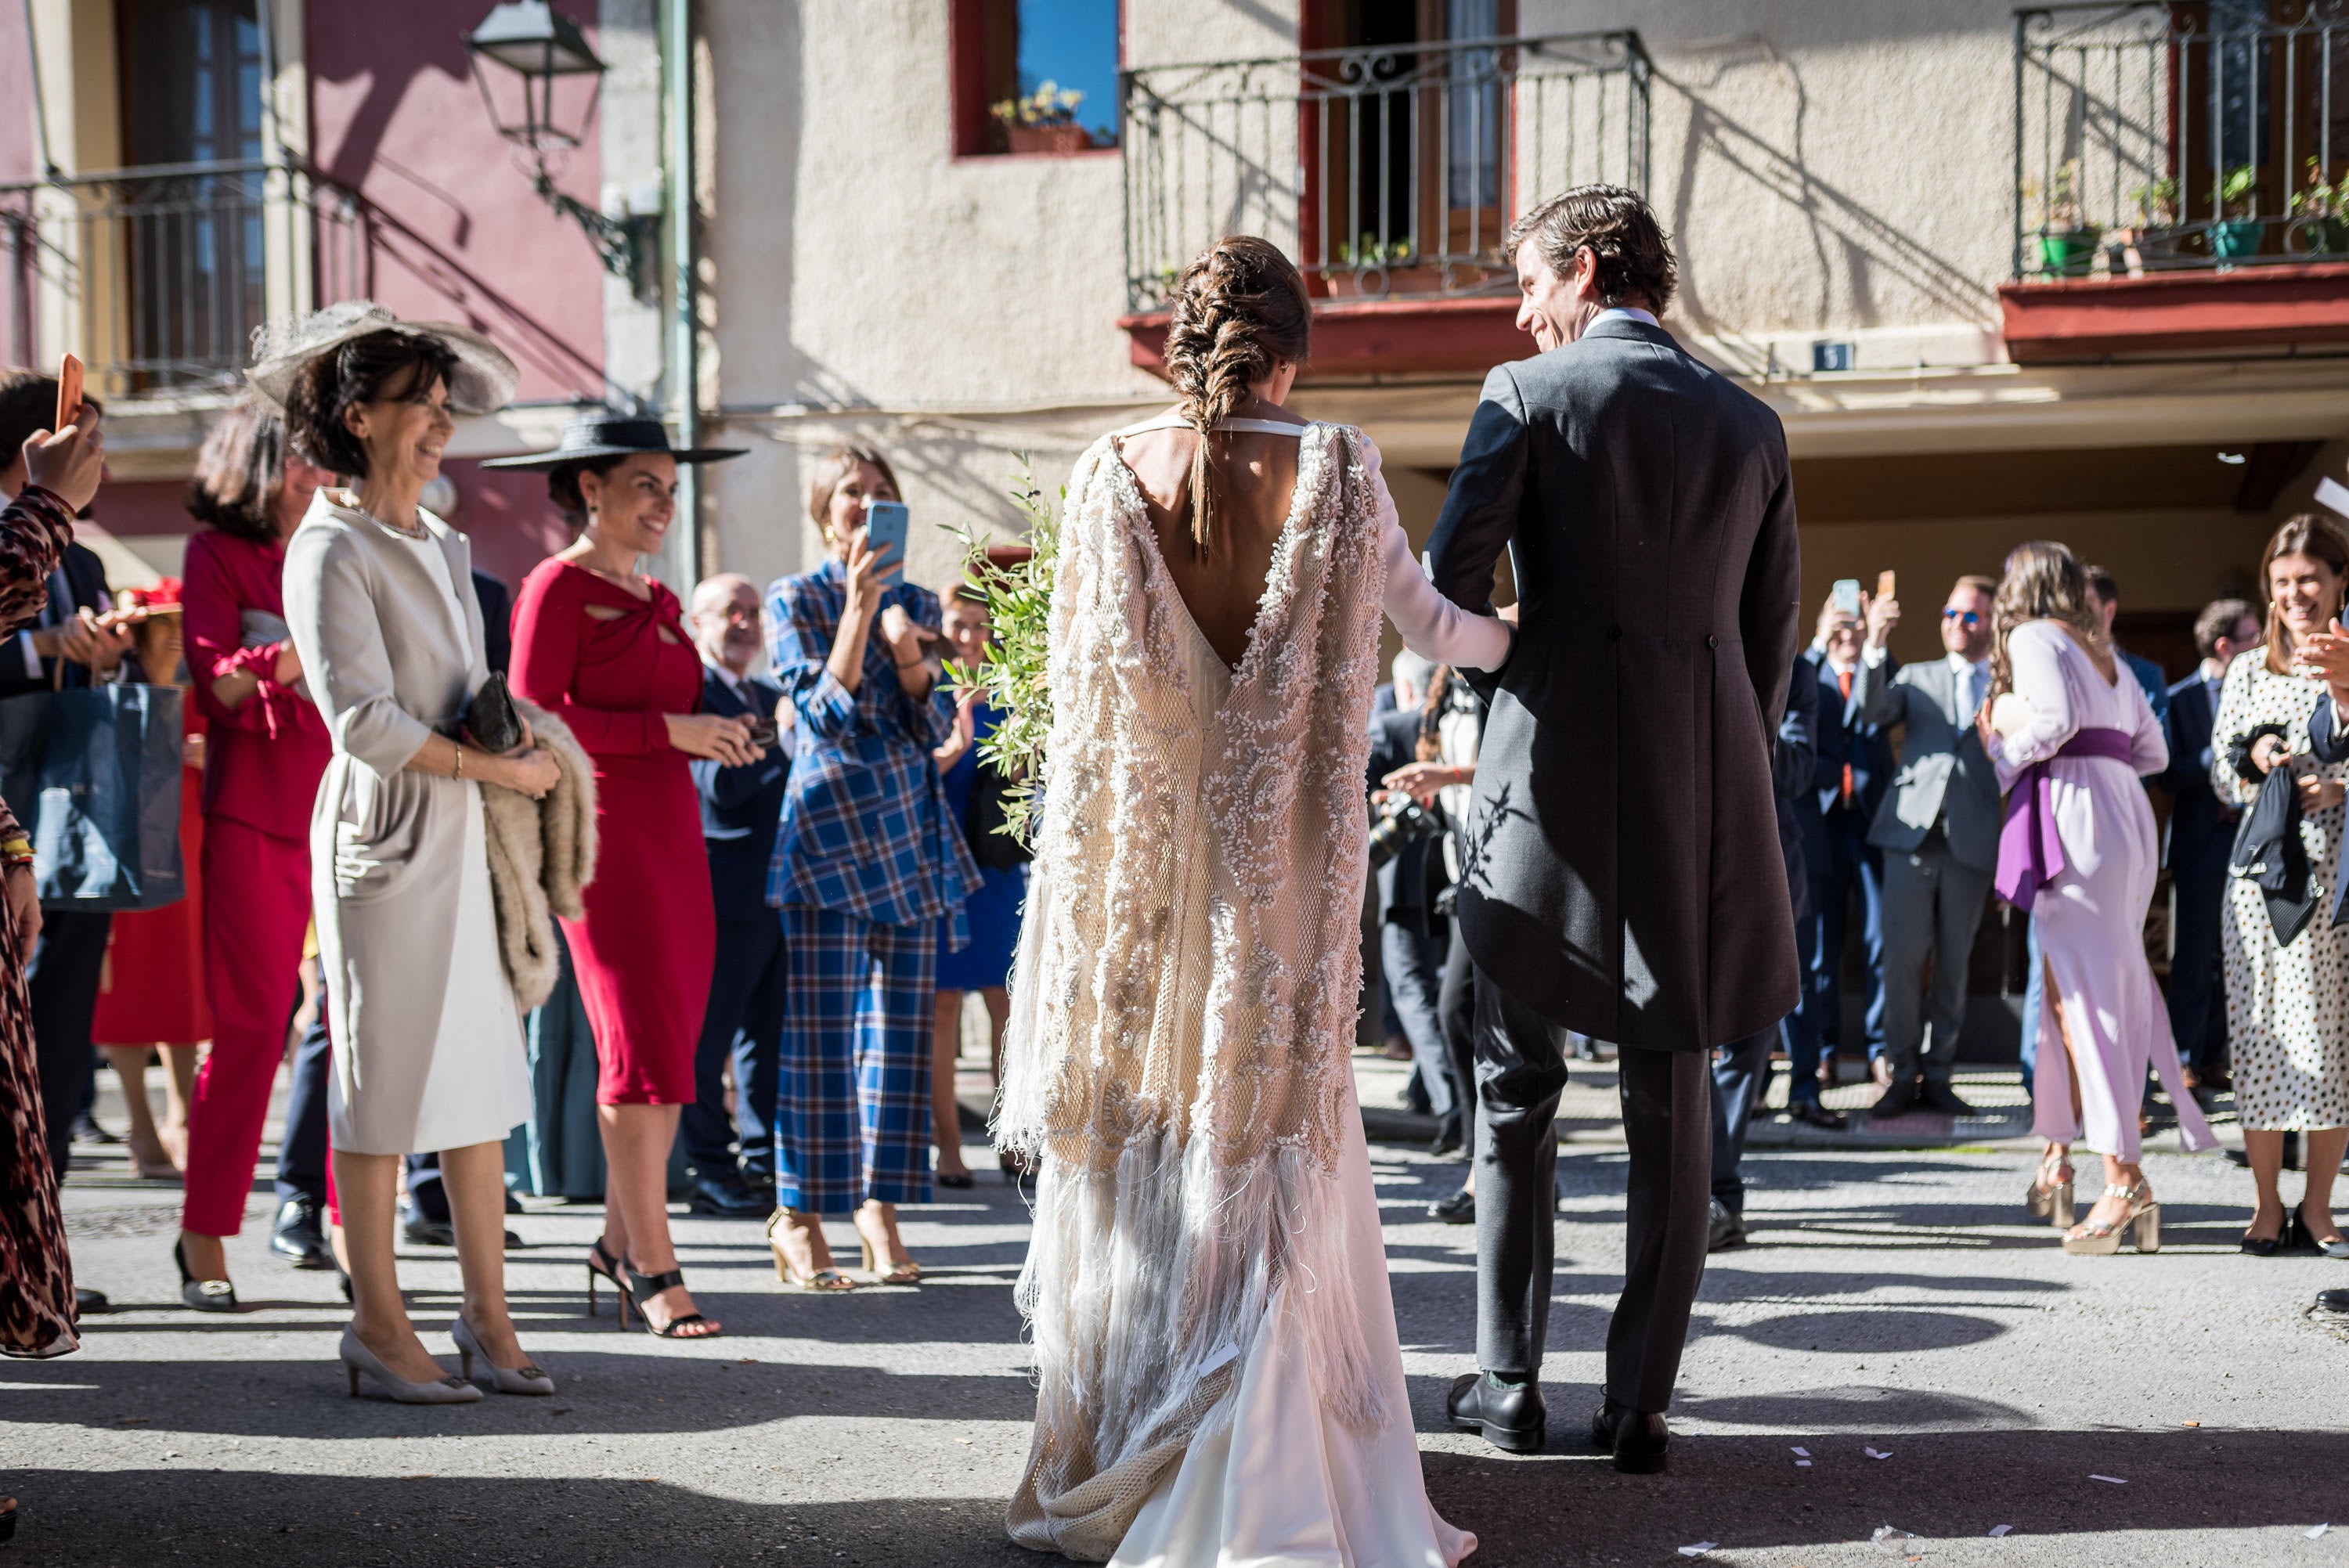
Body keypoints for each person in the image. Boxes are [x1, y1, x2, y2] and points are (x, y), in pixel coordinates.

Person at [997, 233, 1498, 1564]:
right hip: (1277, 873)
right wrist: (1534, 636)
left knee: (1154, 1129)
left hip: (1152, 879)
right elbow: (1432, 624)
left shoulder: (1112, 471)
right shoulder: (1333, 466)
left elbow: (1078, 694)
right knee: (1263, 1126)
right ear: (1291, 354)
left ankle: (1128, 1432)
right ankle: (1267, 1453)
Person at [1427, 185, 1800, 1472]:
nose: (1523, 312)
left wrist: (1525, 671)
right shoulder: (1753, 425)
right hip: (1703, 794)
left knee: (1514, 1086)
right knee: (1673, 1091)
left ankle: (1507, 1385)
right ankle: (1641, 1402)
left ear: (1584, 271)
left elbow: (1451, 593)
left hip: (1546, 794)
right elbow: (1770, 654)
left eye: (1529, 284)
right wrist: (1700, 744)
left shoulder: (1528, 396)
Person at [266, 301, 559, 1397]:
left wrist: (513, 734)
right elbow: (364, 724)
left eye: (444, 405)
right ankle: (379, 1325)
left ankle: (488, 1315)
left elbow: (451, 697)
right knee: (381, 1078)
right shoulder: (327, 545)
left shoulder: (442, 538)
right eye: (419, 405)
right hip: (384, 830)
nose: (441, 422)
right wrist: (501, 770)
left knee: (479, 1072)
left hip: (461, 819)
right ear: (357, 417)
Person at [499, 411, 752, 1336]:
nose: (664, 503)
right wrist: (668, 733)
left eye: (671, 488)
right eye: (646, 484)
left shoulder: (652, 593)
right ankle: (654, 1262)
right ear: (588, 488)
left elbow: (673, 709)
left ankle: (615, 1242)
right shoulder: (553, 587)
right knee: (635, 1050)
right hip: (600, 841)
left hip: (676, 839)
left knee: (670, 1053)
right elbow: (530, 717)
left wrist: (717, 733)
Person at [764, 443, 974, 1290]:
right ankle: (798, 1216)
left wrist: (910, 649)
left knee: (898, 1043)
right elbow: (819, 716)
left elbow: (933, 735)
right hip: (827, 834)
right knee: (818, 1040)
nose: (867, 502)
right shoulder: (795, 597)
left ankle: (878, 1210)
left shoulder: (918, 601)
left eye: (882, 491)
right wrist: (858, 611)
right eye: (853, 491)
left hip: (909, 835)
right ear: (825, 509)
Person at [1983, 540, 2213, 1256]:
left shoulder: (2032, 637)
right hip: (2123, 811)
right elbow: (2155, 753)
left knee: (2089, 1005)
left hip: (2076, 815)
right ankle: (2060, 1157)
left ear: (2020, 588)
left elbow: (2047, 725)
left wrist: (1999, 743)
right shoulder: (2102, 649)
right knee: (2066, 996)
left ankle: (2125, 1179)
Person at [173, 392, 337, 1286]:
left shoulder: (338, 545)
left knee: (358, 1027)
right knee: (250, 1030)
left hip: (348, 808)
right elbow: (216, 681)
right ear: (264, 466)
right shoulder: (216, 552)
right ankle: (206, 1232)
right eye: (307, 459)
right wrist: (300, 650)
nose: (323, 475)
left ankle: (357, 1235)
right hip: (254, 817)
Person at [0, 373, 134, 1192]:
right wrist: (43, 650)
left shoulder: (78, 556)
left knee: (63, 1011)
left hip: (68, 806)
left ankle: (46, 1198)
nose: (101, 465)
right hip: (14, 793)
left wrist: (107, 646)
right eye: (89, 443)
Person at [0, 405, 109, 1357]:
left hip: (48, 813)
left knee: (52, 1046)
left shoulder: (75, 546)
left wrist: (9, 850)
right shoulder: (35, 521)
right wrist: (45, 507)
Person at [2211, 515, 2349, 1258]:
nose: (2298, 593)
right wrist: (2258, 752)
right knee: (2260, 1037)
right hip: (2259, 881)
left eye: (2311, 579)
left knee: (2333, 1042)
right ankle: (2267, 1205)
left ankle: (2319, 1206)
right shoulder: (2247, 670)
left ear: (2338, 583)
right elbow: (2216, 773)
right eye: (2284, 581)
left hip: (2336, 877)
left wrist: (2340, 783)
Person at [1853, 575, 2002, 1119]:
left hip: (1972, 840)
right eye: (1949, 612)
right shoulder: (1915, 676)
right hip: (1909, 835)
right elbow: (1869, 714)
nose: (1955, 623)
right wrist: (1875, 644)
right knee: (1901, 962)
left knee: (1954, 967)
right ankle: (1899, 1075)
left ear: (1991, 622)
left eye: (1969, 616)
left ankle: (1939, 1075)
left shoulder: (2007, 683)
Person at [91, 580, 207, 1181]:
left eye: (180, 625)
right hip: (126, 852)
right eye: (164, 625)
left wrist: (211, 758)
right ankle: (141, 1122)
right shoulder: (111, 694)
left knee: (184, 979)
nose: (176, 636)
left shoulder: (200, 694)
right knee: (128, 989)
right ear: (137, 633)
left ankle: (182, 1118)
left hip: (189, 851)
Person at [681, 571, 789, 1215]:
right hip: (720, 892)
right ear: (699, 623)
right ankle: (711, 1169)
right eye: (730, 611)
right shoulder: (695, 693)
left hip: (776, 891)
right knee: (710, 1038)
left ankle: (763, 1160)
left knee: (765, 1040)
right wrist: (776, 735)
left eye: (753, 610)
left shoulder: (769, 691)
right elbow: (719, 792)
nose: (745, 621)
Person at [1710, 660, 1817, 1249]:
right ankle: (1689, 1189)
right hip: (1686, 867)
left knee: (1748, 1040)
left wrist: (1729, 725)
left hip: (1769, 875)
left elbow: (1799, 767)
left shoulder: (1795, 676)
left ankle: (1720, 1194)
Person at [928, 585, 1025, 1188]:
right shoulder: (928, 694)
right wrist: (957, 741)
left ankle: (1010, 1139)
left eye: (981, 625)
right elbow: (915, 773)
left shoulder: (1010, 698)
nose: (970, 637)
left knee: (1005, 1006)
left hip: (995, 873)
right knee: (940, 1010)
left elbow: (1025, 785)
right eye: (959, 625)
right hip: (940, 873)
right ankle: (948, 1149)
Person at [2160, 598, 2261, 1099]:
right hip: (2201, 843)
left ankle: (2218, 1055)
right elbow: (2165, 772)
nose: (2261, 644)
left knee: (2241, 954)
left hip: (2254, 841)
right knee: (2196, 954)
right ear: (2225, 646)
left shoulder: (2264, 690)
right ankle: (2183, 1056)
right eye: (2252, 637)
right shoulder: (2178, 699)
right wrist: (2217, 755)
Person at [1369, 649, 1460, 1151]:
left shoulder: (1390, 725)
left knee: (1411, 989)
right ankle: (1428, 1089)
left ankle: (1452, 1105)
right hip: (1448, 876)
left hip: (1404, 880)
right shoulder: (1453, 723)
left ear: (1407, 689)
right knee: (1441, 990)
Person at [1804, 595, 1893, 1096]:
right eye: (1838, 625)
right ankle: (1822, 1049)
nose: (1847, 634)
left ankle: (1881, 1051)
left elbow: (1882, 708)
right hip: (1818, 822)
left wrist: (1876, 642)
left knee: (1879, 940)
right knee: (1821, 944)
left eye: (1855, 625)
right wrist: (1819, 637)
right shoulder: (1811, 669)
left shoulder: (1881, 667)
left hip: (1869, 820)